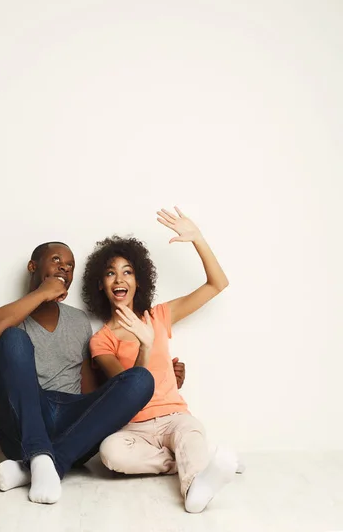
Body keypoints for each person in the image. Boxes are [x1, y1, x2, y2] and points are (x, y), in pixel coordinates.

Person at [0, 241, 185, 504]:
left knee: (141, 379)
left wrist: (159, 380)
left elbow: (93, 392)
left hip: (70, 426)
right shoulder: (6, 317)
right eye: (56, 260)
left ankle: (40, 466)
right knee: (13, 338)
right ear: (33, 266)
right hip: (24, 423)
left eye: (70, 265)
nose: (64, 267)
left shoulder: (78, 320)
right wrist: (41, 294)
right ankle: (38, 454)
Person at [84, 207, 237, 513]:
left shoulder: (159, 316)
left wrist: (198, 239)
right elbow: (127, 389)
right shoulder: (100, 340)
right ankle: (192, 461)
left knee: (190, 429)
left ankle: (195, 484)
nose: (119, 278)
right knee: (110, 454)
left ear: (138, 281)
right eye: (111, 272)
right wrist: (144, 345)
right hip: (133, 428)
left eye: (127, 271)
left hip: (173, 417)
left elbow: (217, 285)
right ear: (101, 284)